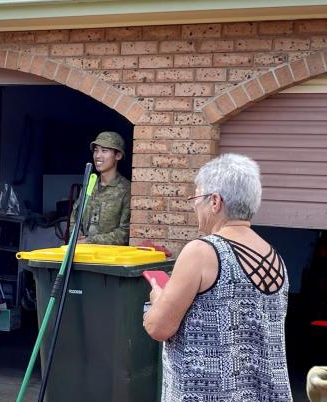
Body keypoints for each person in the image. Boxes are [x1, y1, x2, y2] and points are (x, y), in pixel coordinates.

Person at [143, 153, 292, 401]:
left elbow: (158, 328)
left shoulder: (202, 252)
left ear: (215, 201)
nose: (194, 205)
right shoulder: (275, 258)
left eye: (197, 197)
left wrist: (157, 297)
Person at [69, 131, 130, 245]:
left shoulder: (126, 190)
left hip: (110, 258)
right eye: (96, 150)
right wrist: (77, 239)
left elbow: (125, 233)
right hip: (83, 255)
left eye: (104, 151)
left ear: (118, 155)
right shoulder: (89, 186)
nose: (98, 155)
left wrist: (90, 241)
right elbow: (75, 219)